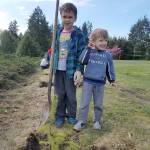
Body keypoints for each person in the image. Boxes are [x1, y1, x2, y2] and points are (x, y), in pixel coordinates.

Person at [74, 28, 116, 131]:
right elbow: (82, 60)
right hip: (88, 82)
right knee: (84, 103)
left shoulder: (108, 55)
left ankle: (97, 121)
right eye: (101, 40)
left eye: (105, 40)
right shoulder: (89, 51)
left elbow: (110, 68)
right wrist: (88, 49)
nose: (104, 43)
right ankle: (81, 121)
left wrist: (112, 80)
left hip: (100, 84)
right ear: (93, 41)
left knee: (98, 104)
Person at [53, 3, 86, 128]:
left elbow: (81, 54)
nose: (67, 19)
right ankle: (60, 116)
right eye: (64, 16)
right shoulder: (57, 32)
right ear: (61, 16)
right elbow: (53, 49)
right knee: (59, 94)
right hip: (58, 70)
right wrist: (48, 59)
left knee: (71, 96)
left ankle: (71, 115)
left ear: (75, 18)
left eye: (70, 17)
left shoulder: (78, 34)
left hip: (71, 70)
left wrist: (79, 70)